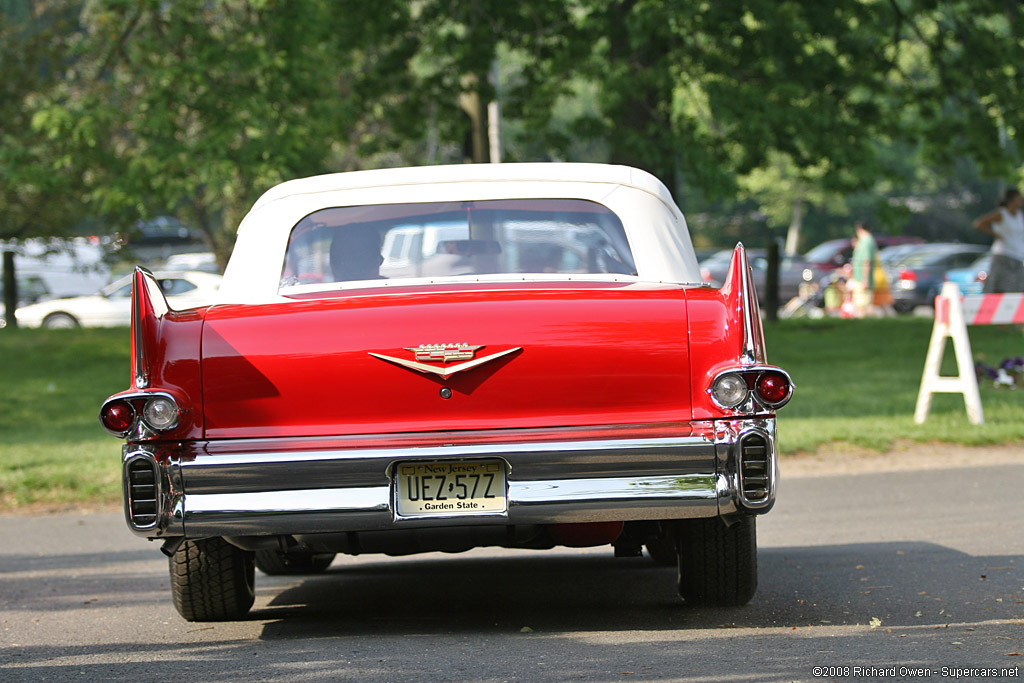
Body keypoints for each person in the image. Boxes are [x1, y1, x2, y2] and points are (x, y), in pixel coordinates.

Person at [974, 188, 1024, 294]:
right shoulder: (1001, 214)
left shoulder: (1019, 215)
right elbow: (979, 223)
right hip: (1003, 255)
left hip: (1017, 256)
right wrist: (995, 234)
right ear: (1012, 199)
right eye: (1018, 198)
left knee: (1017, 288)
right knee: (1001, 288)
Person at [849, 220, 878, 317]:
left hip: (863, 280)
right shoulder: (863, 241)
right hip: (859, 279)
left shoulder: (867, 241)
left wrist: (865, 279)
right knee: (859, 306)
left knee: (864, 307)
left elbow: (867, 261)